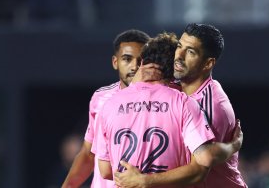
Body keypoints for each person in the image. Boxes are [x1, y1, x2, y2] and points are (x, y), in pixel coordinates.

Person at [93, 32, 244, 187]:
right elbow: (203, 162)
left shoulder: (109, 104)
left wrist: (139, 177)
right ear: (173, 68)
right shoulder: (184, 103)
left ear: (142, 63)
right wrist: (235, 145)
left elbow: (105, 170)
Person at [61, 29, 161, 188]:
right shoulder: (101, 98)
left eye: (141, 60)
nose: (134, 66)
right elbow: (88, 155)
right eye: (127, 59)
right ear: (115, 62)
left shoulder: (167, 100)